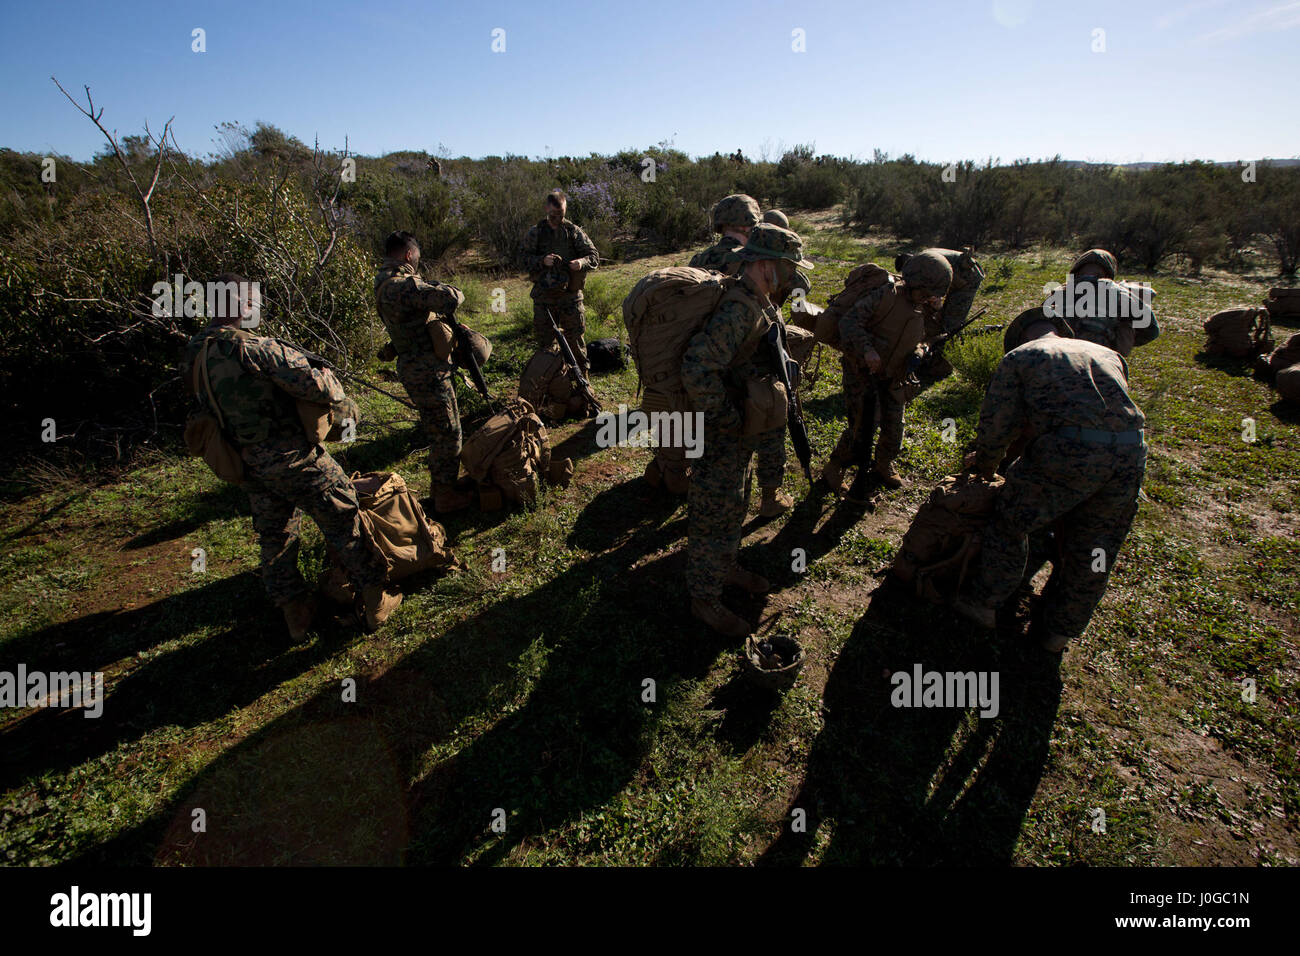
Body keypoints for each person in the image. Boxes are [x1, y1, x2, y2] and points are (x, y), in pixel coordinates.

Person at [183, 274, 401, 640]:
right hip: (294, 458)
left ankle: (295, 615)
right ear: (242, 304)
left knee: (276, 534)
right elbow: (325, 389)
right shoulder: (257, 348)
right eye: (254, 302)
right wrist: (325, 373)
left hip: (246, 462)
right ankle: (376, 596)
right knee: (344, 515)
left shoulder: (196, 352)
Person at [952, 310, 1147, 652]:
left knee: (1011, 521)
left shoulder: (1020, 358)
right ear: (1059, 330)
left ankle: (984, 603)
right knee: (1096, 546)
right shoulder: (1107, 354)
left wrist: (985, 466)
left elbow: (997, 427)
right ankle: (1057, 633)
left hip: (1069, 450)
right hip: (1131, 452)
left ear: (1022, 337)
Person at [681, 224, 815, 636]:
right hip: (719, 429)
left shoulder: (761, 300)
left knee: (735, 504)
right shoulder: (740, 306)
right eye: (788, 266)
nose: (793, 275)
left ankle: (726, 567)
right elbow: (697, 368)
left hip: (739, 425)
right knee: (712, 513)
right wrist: (726, 418)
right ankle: (704, 598)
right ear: (764, 264)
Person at [689, 196, 797, 516]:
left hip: (712, 364)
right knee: (771, 425)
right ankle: (769, 495)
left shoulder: (699, 259)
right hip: (751, 365)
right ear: (752, 223)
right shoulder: (755, 258)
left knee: (714, 443)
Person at [822, 251, 952, 500]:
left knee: (894, 426)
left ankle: (883, 463)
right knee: (860, 427)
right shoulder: (885, 295)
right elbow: (849, 322)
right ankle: (835, 468)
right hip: (863, 372)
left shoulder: (926, 307)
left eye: (931, 295)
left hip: (896, 374)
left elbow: (928, 337)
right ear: (913, 281)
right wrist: (867, 349)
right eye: (924, 293)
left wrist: (922, 346)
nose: (927, 298)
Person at [374, 231, 473, 514]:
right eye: (416, 256)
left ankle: (443, 488)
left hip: (413, 364)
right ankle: (445, 496)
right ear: (408, 255)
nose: (417, 261)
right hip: (427, 370)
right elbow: (450, 299)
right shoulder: (402, 285)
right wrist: (445, 287)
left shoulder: (381, 281)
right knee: (448, 433)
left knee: (438, 429)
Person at [521, 190, 600, 375]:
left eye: (561, 215)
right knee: (546, 347)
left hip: (570, 298)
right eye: (553, 215)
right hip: (544, 300)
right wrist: (541, 261)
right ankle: (552, 387)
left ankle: (582, 388)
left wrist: (581, 263)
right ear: (546, 209)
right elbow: (521, 259)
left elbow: (594, 256)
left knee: (575, 344)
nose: (557, 218)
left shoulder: (573, 231)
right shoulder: (536, 233)